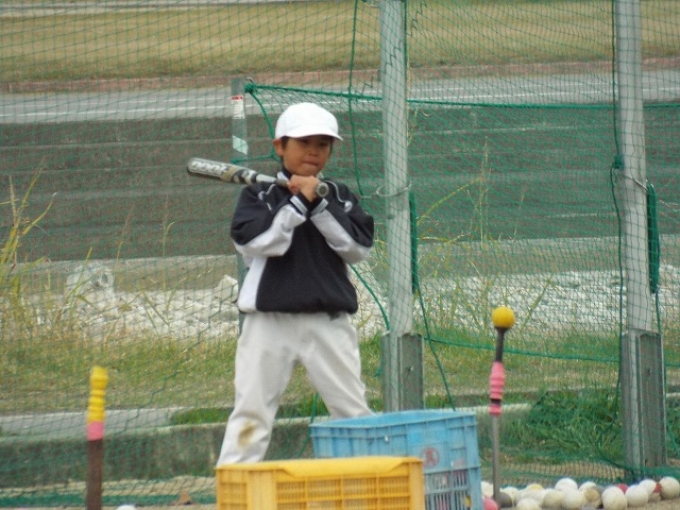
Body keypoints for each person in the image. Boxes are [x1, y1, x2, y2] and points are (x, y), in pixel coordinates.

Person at [216, 102, 374, 465]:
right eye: (303, 142)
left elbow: (357, 248)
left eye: (323, 144)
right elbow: (257, 242)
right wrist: (298, 203)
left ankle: (369, 485)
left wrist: (317, 204)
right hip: (268, 322)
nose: (313, 151)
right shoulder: (259, 194)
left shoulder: (339, 195)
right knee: (251, 412)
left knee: (352, 410)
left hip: (328, 321)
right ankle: (235, 488)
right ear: (280, 146)